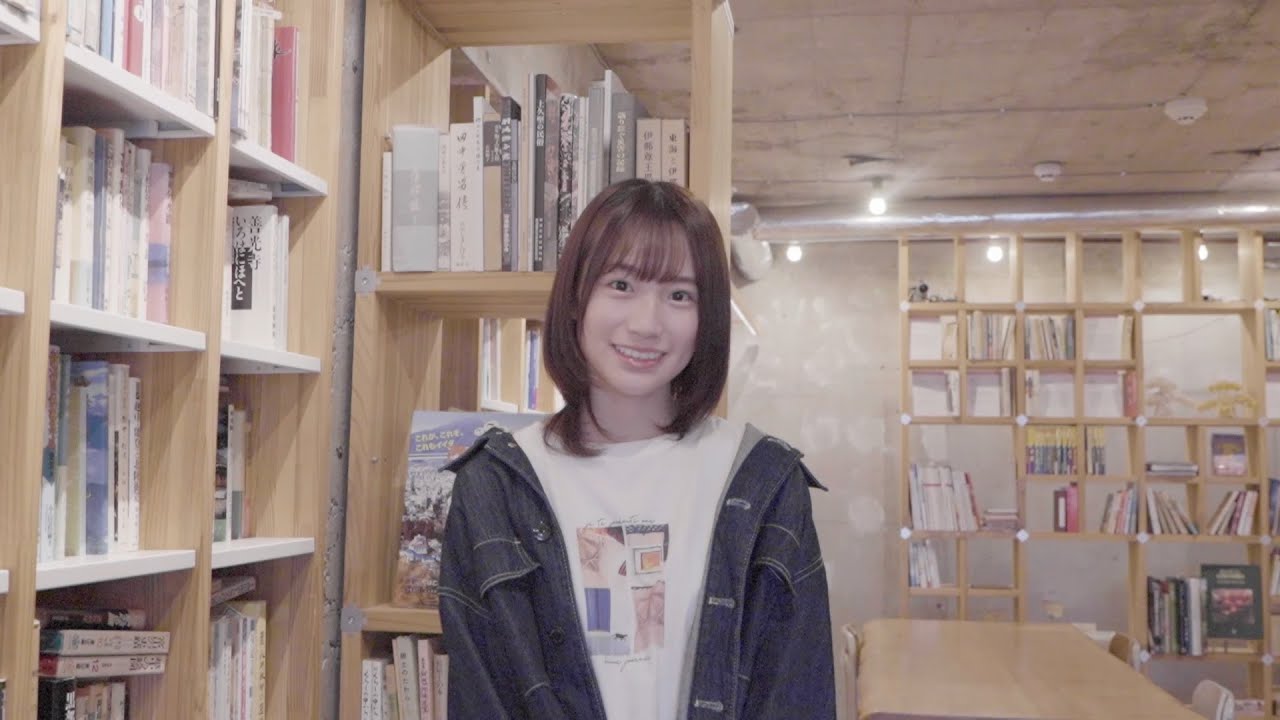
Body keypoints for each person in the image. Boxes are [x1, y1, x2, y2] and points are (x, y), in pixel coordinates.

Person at [438, 179, 835, 719]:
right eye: (621, 284)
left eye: (679, 295)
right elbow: (481, 697)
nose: (647, 324)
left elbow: (797, 695)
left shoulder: (763, 481)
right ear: (576, 299)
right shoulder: (496, 483)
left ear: (707, 318)